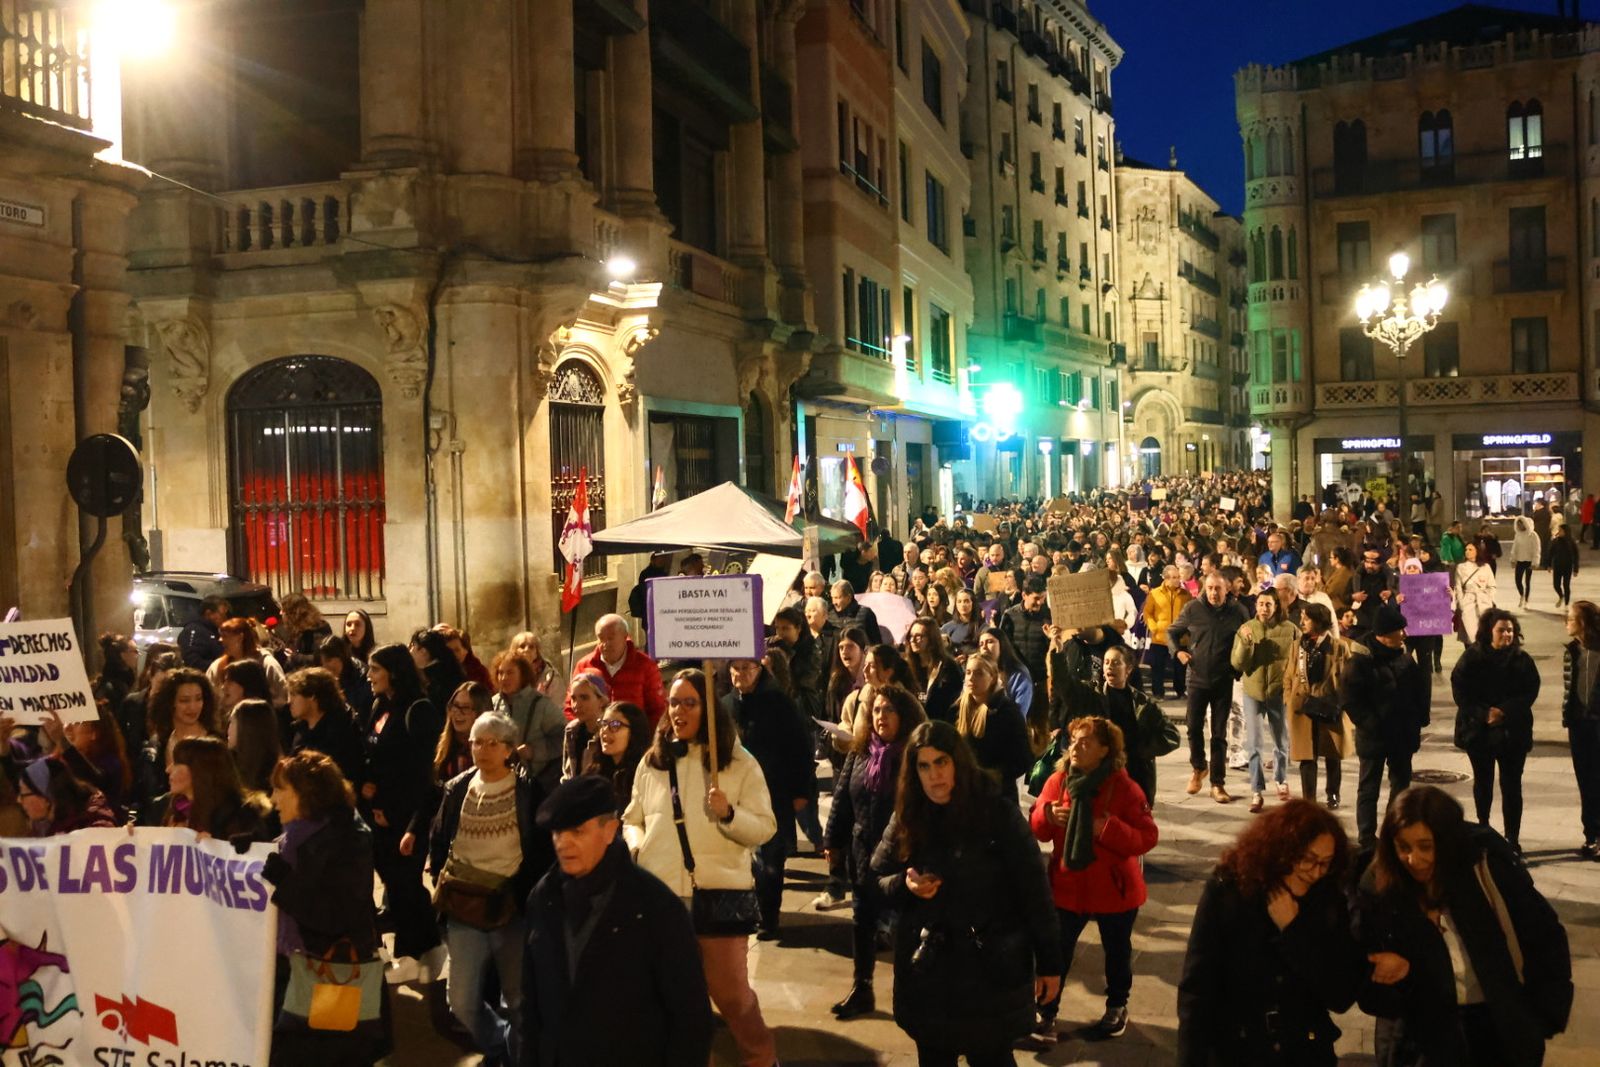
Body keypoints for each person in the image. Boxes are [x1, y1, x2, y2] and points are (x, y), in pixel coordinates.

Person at [871, 720, 1062, 1064]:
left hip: (988, 973)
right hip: (929, 976)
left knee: (991, 1058)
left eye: (941, 762)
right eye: (924, 766)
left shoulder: (997, 814)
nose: (934, 775)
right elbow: (877, 878)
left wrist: (1050, 963)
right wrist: (906, 885)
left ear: (958, 761)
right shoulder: (908, 815)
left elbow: (1035, 891)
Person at [623, 670, 778, 1067]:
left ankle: (761, 1059)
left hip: (719, 893)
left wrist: (728, 814)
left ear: (709, 709)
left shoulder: (739, 763)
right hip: (663, 897)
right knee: (676, 1000)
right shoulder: (653, 761)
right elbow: (632, 818)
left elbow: (764, 827)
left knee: (732, 998)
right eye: (674, 702)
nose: (679, 711)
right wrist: (638, 847)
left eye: (690, 702)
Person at [1356, 786, 1572, 1067]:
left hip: (1494, 1027)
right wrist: (1396, 975)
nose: (1414, 859)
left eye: (1425, 846)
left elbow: (1545, 936)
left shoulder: (1486, 869)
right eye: (1403, 847)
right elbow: (1370, 994)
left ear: (1446, 842)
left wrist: (1540, 1018)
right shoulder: (1380, 888)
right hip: (1421, 1039)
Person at [522, 776, 714, 1067]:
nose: (564, 843)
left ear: (610, 830)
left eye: (577, 831)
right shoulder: (543, 897)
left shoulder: (655, 907)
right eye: (558, 833)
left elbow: (690, 1014)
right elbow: (531, 1000)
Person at [1177, 800, 1361, 1066]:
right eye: (1307, 860)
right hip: (1237, 1051)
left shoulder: (1330, 898)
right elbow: (1197, 989)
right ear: (1280, 850)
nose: (1315, 873)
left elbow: (1340, 994)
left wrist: (1295, 932)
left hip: (1303, 1051)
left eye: (1325, 863)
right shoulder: (1229, 890)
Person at [426, 712, 553, 1066]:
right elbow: (438, 840)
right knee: (462, 1000)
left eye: (491, 743)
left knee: (517, 996)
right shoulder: (457, 788)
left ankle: (520, 1056)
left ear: (509, 749)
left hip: (510, 907)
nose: (482, 749)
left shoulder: (527, 791)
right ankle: (499, 1045)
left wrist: (522, 894)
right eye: (476, 742)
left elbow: (542, 850)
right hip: (465, 905)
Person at [1029, 716, 1158, 1045]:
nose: (1075, 747)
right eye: (1073, 740)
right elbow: (1037, 826)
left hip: (1113, 888)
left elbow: (1147, 836)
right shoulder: (1059, 781)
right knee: (1056, 951)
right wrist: (1047, 814)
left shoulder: (1124, 788)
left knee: (1117, 951)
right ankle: (1046, 1012)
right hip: (1068, 884)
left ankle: (1117, 1006)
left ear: (1104, 750)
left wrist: (1107, 828)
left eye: (1085, 742)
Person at [262, 751, 389, 1067]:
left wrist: (285, 885)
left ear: (306, 795)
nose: (273, 798)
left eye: (281, 789)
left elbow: (336, 916)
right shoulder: (291, 839)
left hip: (330, 980)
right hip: (295, 976)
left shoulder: (349, 840)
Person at [824, 684, 928, 1020]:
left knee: (903, 928)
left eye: (889, 710)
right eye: (877, 710)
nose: (881, 716)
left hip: (900, 858)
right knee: (862, 921)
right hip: (861, 851)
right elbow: (842, 799)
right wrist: (833, 842)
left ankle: (911, 993)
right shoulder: (861, 752)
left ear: (905, 716)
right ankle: (862, 987)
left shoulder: (914, 757)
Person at [359, 643, 444, 973]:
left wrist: (405, 818)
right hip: (380, 813)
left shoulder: (418, 710)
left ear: (393, 672)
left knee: (405, 882)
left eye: (375, 670)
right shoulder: (380, 705)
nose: (369, 677)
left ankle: (410, 954)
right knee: (397, 884)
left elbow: (422, 772)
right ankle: (430, 947)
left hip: (408, 814)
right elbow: (375, 752)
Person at [724, 656, 815, 940]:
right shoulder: (725, 705)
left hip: (773, 791)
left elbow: (800, 748)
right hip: (735, 793)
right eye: (735, 669)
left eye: (746, 668)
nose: (740, 674)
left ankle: (768, 916)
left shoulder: (779, 703)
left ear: (759, 670)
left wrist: (801, 791)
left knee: (769, 858)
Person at [1451, 609, 1540, 854]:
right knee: (1483, 782)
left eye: (1510, 630)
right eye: (1501, 629)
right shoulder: (1472, 658)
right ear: (1489, 631)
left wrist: (1504, 711)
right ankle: (1484, 829)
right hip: (1478, 732)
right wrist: (1484, 713)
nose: (1507, 634)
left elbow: (1530, 691)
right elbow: (1460, 691)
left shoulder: (1522, 660)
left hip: (1513, 733)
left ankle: (1512, 837)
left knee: (1512, 786)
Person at [1342, 604, 1431, 848]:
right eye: (1399, 630)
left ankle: (1393, 830)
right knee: (1369, 787)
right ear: (1383, 634)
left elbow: (1419, 688)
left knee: (1401, 786)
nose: (1404, 634)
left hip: (1402, 734)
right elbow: (1351, 700)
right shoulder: (1360, 661)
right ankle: (1367, 837)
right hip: (1375, 736)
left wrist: (1420, 718)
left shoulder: (1404, 655)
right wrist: (1372, 724)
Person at [1168, 572, 1250, 804]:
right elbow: (1172, 631)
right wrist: (1178, 652)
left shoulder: (1238, 611)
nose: (1214, 593)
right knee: (1193, 728)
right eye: (1210, 588)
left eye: (1218, 589)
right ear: (1205, 588)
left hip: (1223, 679)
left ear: (1227, 590)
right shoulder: (1193, 608)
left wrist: (1239, 668)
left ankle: (1218, 783)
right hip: (1196, 677)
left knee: (1219, 734)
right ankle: (1198, 767)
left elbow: (1248, 640)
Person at [1283, 603, 1359, 809]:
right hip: (1302, 708)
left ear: (1318, 621)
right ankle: (1309, 800)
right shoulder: (1297, 645)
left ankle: (1333, 794)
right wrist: (1289, 698)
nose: (1302, 622)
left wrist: (1341, 702)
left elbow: (1349, 679)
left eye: (1306, 619)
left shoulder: (1339, 647)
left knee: (1332, 754)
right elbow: (1288, 675)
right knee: (1307, 757)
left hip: (1329, 706)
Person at [1231, 591, 1298, 813]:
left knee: (1281, 740)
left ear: (1276, 606)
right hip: (1253, 691)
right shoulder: (1246, 628)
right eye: (1260, 604)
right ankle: (1257, 790)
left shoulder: (1290, 629)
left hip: (1279, 692)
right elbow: (1238, 664)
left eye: (1268, 604)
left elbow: (1299, 658)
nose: (1263, 608)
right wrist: (1247, 644)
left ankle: (1281, 780)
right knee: (1254, 742)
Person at [142, 735, 273, 842]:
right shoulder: (165, 808)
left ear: (199, 771)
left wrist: (216, 847)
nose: (168, 769)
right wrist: (132, 837)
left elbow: (251, 864)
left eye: (176, 763)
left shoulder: (241, 818)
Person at [954, 653, 1033, 803]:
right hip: (965, 794)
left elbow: (1023, 759)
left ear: (992, 677)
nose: (971, 678)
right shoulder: (957, 709)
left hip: (997, 796)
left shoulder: (1007, 712)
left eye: (978, 673)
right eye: (968, 672)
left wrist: (991, 776)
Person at [141, 666, 225, 805]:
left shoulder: (215, 743)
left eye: (198, 699)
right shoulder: (158, 743)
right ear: (170, 703)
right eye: (184, 700)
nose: (193, 707)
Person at [566, 614, 667, 725]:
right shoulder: (585, 666)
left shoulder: (645, 666)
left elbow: (658, 710)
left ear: (625, 637)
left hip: (634, 737)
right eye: (601, 638)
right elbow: (570, 707)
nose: (605, 644)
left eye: (611, 638)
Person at [490, 651, 564, 789]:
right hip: (502, 781)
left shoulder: (541, 705)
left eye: (510, 672)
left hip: (538, 782)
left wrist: (534, 751)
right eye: (500, 673)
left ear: (522, 674)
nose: (504, 678)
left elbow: (563, 738)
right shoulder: (492, 704)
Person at [1563, 600, 1600, 859]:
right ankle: (1591, 835)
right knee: (1585, 781)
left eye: (1571, 618)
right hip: (1579, 724)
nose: (1566, 622)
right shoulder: (1573, 651)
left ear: (1583, 623)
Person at [285, 666, 365, 782]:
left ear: (312, 695)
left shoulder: (341, 732)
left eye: (293, 694)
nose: (289, 701)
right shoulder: (301, 728)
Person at [10, 756, 118, 835]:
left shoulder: (97, 827)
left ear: (46, 797)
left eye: (24, 793)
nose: (19, 800)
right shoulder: (41, 828)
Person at [208, 617, 289, 709]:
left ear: (240, 637)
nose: (220, 640)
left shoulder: (267, 664)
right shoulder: (218, 666)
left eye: (225, 636)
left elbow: (282, 696)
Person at [584, 701, 650, 809]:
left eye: (615, 725)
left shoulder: (645, 774)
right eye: (603, 724)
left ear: (634, 732)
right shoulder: (595, 771)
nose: (605, 730)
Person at [1142, 564, 1192, 700]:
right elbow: (1147, 612)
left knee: (1180, 667)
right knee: (1158, 667)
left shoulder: (1185, 595)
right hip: (1160, 637)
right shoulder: (1154, 593)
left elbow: (1190, 613)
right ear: (1166, 578)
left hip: (1179, 637)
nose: (1177, 580)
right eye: (1174, 577)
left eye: (1178, 577)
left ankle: (1180, 691)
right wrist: (1154, 627)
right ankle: (1158, 692)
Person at [904, 617, 962, 723]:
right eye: (911, 636)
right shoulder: (906, 667)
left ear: (931, 638)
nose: (913, 640)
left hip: (941, 725)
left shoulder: (948, 667)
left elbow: (955, 702)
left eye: (919, 636)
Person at [561, 671, 610, 782]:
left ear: (601, 700)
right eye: (573, 698)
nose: (577, 705)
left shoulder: (610, 730)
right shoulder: (572, 731)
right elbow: (568, 773)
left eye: (584, 698)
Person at [975, 625, 1034, 717]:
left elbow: (1020, 712)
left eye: (990, 642)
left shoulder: (1018, 674)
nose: (984, 647)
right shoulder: (976, 672)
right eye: (981, 644)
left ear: (1002, 645)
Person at [229, 698, 283, 795]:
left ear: (246, 728)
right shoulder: (229, 764)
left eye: (232, 722)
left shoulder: (277, 775)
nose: (228, 729)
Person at [410, 628, 468, 715]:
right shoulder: (450, 669)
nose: (410, 651)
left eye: (413, 646)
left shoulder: (431, 677)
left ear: (423, 651)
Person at [318, 635, 374, 725]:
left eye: (328, 660)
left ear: (341, 656)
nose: (325, 667)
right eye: (322, 662)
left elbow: (361, 715)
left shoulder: (362, 677)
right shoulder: (331, 676)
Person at [1454, 541, 1497, 647]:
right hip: (1468, 604)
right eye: (1466, 549)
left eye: (1470, 549)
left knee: (1485, 635)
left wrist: (1487, 598)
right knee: (1469, 637)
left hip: (1484, 604)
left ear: (1477, 551)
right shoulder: (1461, 567)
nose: (1467, 552)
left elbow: (1492, 586)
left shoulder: (1486, 567)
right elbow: (1458, 587)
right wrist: (1462, 603)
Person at [276, 593, 333, 670]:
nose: (280, 613)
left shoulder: (320, 628)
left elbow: (322, 658)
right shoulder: (288, 628)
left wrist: (295, 657)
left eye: (283, 610)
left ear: (293, 612)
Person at [179, 594, 229, 669]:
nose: (225, 618)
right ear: (209, 613)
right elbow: (192, 662)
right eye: (222, 614)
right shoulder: (194, 631)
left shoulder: (214, 631)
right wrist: (221, 666)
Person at [507, 631, 561, 698]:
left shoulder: (550, 677)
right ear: (514, 651)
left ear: (536, 652)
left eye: (531, 647)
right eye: (522, 646)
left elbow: (558, 705)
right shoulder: (507, 673)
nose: (527, 649)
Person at [830, 580, 883, 644]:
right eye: (833, 598)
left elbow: (876, 642)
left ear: (848, 597)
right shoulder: (829, 615)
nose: (834, 602)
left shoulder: (865, 613)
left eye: (837, 598)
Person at [941, 588, 983, 658]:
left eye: (966, 601)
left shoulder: (981, 626)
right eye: (959, 601)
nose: (963, 605)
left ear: (973, 603)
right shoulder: (946, 628)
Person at [1510, 515, 1540, 610]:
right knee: (1518, 580)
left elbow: (1536, 549)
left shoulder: (1533, 535)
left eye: (1521, 524)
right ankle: (1522, 595)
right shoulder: (1518, 535)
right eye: (1517, 524)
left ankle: (1526, 601)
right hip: (1520, 561)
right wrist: (1513, 560)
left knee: (1527, 582)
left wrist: (1535, 562)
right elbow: (1515, 548)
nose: (1519, 526)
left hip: (1529, 562)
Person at [1549, 521, 1579, 608]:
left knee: (1566, 585)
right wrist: (1549, 565)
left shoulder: (1571, 542)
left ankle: (1566, 604)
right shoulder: (1555, 541)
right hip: (1557, 566)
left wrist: (1575, 569)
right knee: (1556, 585)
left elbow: (1576, 555)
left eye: (1561, 530)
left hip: (1568, 567)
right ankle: (1561, 596)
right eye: (1559, 530)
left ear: (1566, 531)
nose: (1559, 532)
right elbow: (1551, 553)